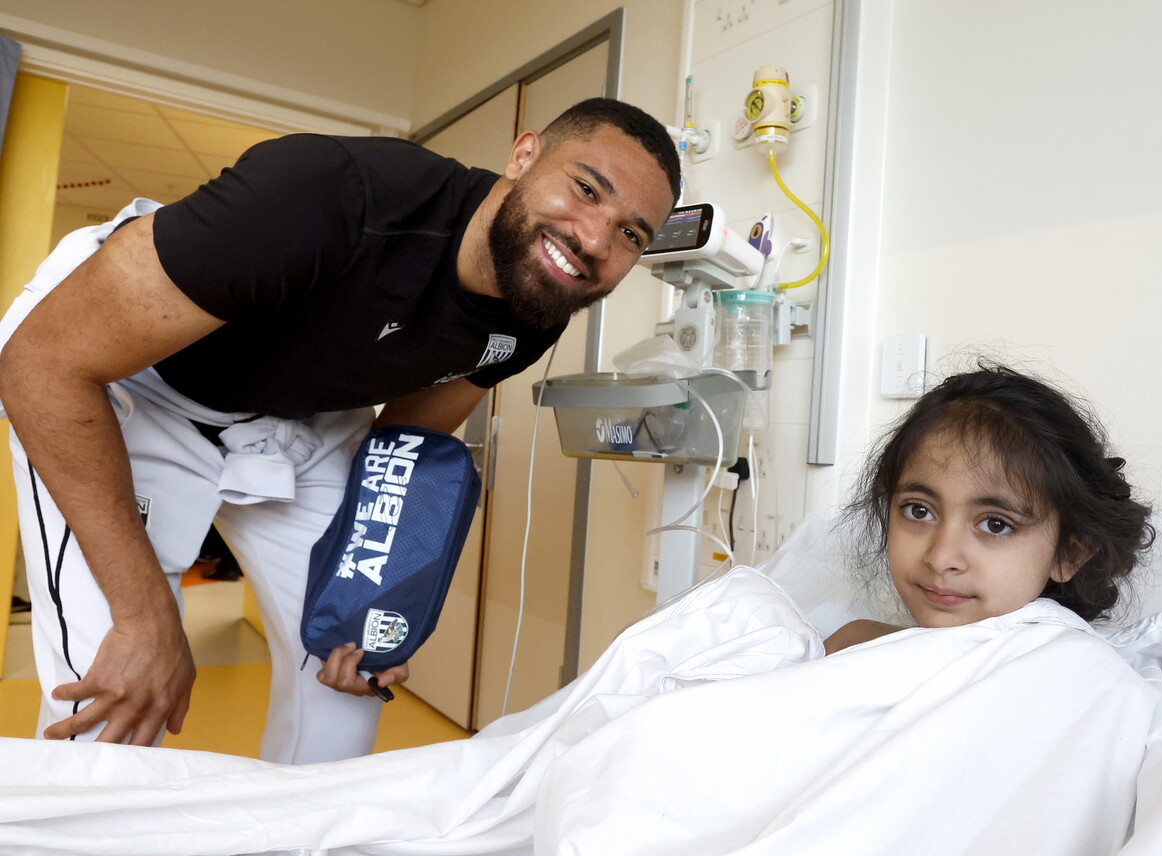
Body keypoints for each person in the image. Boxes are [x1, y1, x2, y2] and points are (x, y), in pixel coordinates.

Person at [0, 98, 679, 762]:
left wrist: (370, 603)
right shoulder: (328, 197)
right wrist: (145, 615)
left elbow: (401, 454)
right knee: (113, 693)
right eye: (586, 189)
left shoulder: (535, 307)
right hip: (131, 383)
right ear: (524, 154)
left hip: (303, 418)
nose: (593, 240)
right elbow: (41, 365)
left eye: (630, 234)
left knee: (349, 679)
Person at [825, 365, 1155, 654]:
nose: (941, 558)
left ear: (1068, 554)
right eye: (919, 511)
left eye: (995, 525)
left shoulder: (1068, 669)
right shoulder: (854, 646)